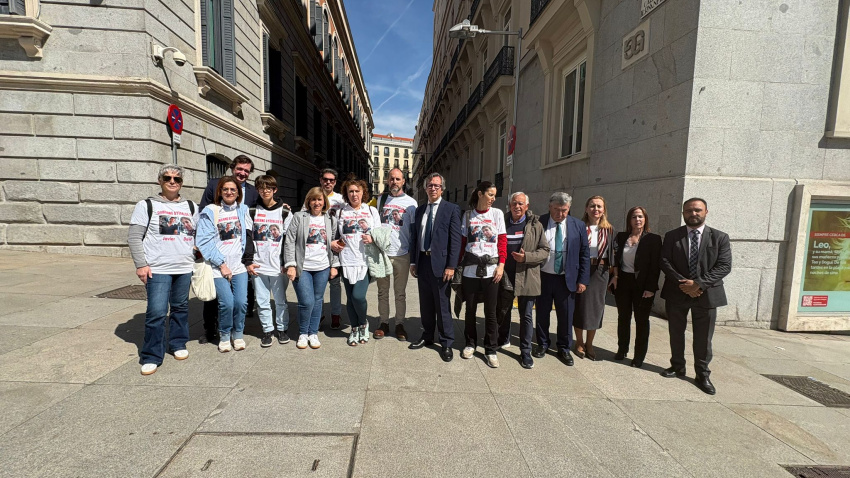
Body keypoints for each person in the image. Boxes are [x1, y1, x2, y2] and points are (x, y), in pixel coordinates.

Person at [128, 164, 198, 376]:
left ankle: (178, 343)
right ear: (160, 181)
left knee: (180, 307)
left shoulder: (191, 206)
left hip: (184, 266)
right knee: (157, 312)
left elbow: (198, 234)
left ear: (181, 183)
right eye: (167, 178)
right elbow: (134, 237)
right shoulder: (146, 205)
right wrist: (141, 265)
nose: (172, 182)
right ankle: (151, 355)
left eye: (177, 179)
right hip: (157, 268)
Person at [660, 198, 732, 395]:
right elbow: (665, 261)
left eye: (697, 210)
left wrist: (698, 284)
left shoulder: (720, 237)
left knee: (703, 337)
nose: (693, 214)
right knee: (676, 332)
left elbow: (724, 266)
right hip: (677, 292)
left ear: (706, 212)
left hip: (706, 294)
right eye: (689, 211)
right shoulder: (672, 236)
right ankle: (677, 366)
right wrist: (684, 284)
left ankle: (702, 374)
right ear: (683, 213)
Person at [198, 155, 259, 345]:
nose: (230, 192)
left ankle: (237, 333)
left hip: (239, 263)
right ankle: (220, 333)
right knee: (225, 302)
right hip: (218, 264)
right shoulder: (211, 209)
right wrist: (221, 263)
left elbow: (251, 230)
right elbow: (204, 238)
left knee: (241, 302)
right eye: (226, 189)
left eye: (233, 189)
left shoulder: (245, 207)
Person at [408, 173, 461, 362]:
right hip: (423, 262)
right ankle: (428, 335)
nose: (433, 188)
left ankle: (446, 342)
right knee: (426, 303)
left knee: (442, 305)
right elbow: (415, 237)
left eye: (436, 186)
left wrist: (451, 266)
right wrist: (413, 262)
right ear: (425, 188)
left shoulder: (451, 209)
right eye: (430, 185)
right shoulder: (420, 210)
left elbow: (455, 240)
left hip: (442, 265)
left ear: (442, 189)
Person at [534, 192, 590, 366]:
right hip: (543, 276)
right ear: (550, 207)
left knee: (566, 315)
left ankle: (564, 348)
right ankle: (542, 344)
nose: (560, 213)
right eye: (556, 209)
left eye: (564, 210)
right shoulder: (539, 222)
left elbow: (584, 254)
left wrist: (583, 280)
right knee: (542, 313)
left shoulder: (578, 225)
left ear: (569, 208)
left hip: (567, 278)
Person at [495, 192, 549, 369]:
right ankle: (503, 338)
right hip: (505, 275)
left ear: (527, 206)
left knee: (525, 315)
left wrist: (527, 257)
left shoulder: (535, 225)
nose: (517, 206)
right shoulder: (502, 221)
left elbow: (545, 250)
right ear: (509, 205)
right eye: (514, 203)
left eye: (520, 203)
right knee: (503, 310)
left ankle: (525, 351)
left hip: (527, 275)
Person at [458, 181, 507, 368]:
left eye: (494, 195)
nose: (493, 198)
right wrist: (457, 266)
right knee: (470, 310)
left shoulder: (497, 214)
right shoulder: (468, 215)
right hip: (470, 270)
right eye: (490, 194)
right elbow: (463, 243)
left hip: (491, 271)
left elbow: (502, 242)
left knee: (491, 312)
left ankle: (490, 349)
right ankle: (470, 343)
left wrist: (501, 265)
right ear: (480, 194)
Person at [284, 187, 339, 350]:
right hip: (303, 267)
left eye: (319, 199)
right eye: (313, 199)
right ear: (308, 201)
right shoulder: (299, 217)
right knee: (306, 301)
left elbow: (334, 244)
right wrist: (291, 264)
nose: (316, 203)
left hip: (322, 266)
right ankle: (303, 333)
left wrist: (334, 265)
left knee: (317, 300)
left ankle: (313, 333)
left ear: (324, 202)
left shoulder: (330, 219)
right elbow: (290, 241)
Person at [330, 177, 381, 346]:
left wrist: (372, 238)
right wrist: (333, 243)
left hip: (365, 260)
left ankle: (363, 323)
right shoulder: (341, 212)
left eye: (357, 191)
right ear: (346, 193)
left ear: (363, 192)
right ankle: (354, 328)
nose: (354, 194)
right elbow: (334, 235)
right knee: (350, 298)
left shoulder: (371, 211)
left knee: (358, 296)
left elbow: (380, 234)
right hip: (346, 260)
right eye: (350, 191)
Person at [610, 206, 662, 368]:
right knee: (623, 317)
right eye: (634, 217)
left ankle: (639, 356)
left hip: (643, 285)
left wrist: (651, 288)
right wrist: (615, 277)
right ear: (629, 220)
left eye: (640, 216)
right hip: (623, 282)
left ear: (645, 219)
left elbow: (655, 266)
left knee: (641, 320)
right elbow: (615, 259)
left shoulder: (653, 239)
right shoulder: (621, 237)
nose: (637, 220)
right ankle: (622, 349)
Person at [245, 175, 293, 347]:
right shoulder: (252, 211)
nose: (265, 191)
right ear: (257, 190)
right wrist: (248, 261)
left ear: (275, 190)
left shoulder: (285, 212)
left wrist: (286, 262)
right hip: (258, 264)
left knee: (280, 300)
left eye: (269, 188)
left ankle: (282, 329)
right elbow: (248, 237)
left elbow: (289, 240)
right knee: (262, 301)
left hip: (278, 266)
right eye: (261, 188)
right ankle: (267, 331)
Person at [374, 168, 417, 340]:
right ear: (387, 180)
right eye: (392, 179)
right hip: (382, 254)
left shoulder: (411, 203)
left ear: (403, 181)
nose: (394, 182)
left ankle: (399, 324)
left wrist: (413, 259)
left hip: (402, 254)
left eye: (398, 179)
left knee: (400, 293)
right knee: (382, 292)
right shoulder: (380, 200)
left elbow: (413, 232)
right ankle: (383, 323)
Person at [573, 196, 615, 361]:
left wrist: (615, 275)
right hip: (582, 269)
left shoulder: (609, 230)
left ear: (603, 210)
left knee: (596, 308)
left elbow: (613, 254)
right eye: (592, 206)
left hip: (600, 272)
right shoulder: (579, 227)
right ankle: (579, 342)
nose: (595, 209)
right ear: (586, 208)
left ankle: (590, 343)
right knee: (580, 306)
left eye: (599, 206)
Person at [315, 168, 346, 330]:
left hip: (336, 245)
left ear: (335, 182)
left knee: (335, 282)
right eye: (325, 179)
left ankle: (336, 314)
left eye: (331, 180)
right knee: (318, 283)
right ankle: (318, 315)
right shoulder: (314, 196)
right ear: (320, 180)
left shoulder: (341, 199)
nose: (328, 182)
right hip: (317, 245)